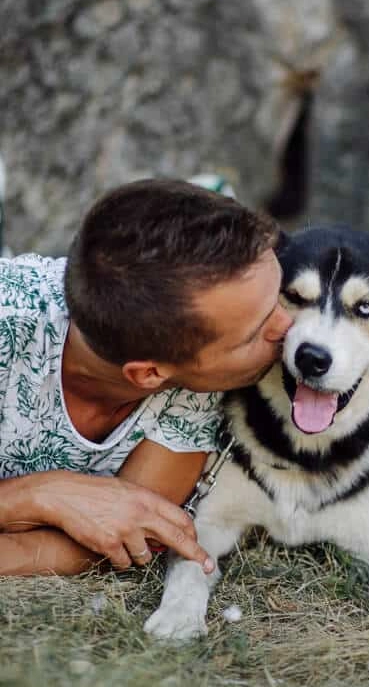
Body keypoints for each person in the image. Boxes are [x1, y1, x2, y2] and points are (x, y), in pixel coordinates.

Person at [0, 178, 292, 576]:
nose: (289, 325)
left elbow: (118, 543)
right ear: (149, 373)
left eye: (277, 296)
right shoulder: (10, 326)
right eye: (255, 332)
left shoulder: (200, 381)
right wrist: (40, 494)